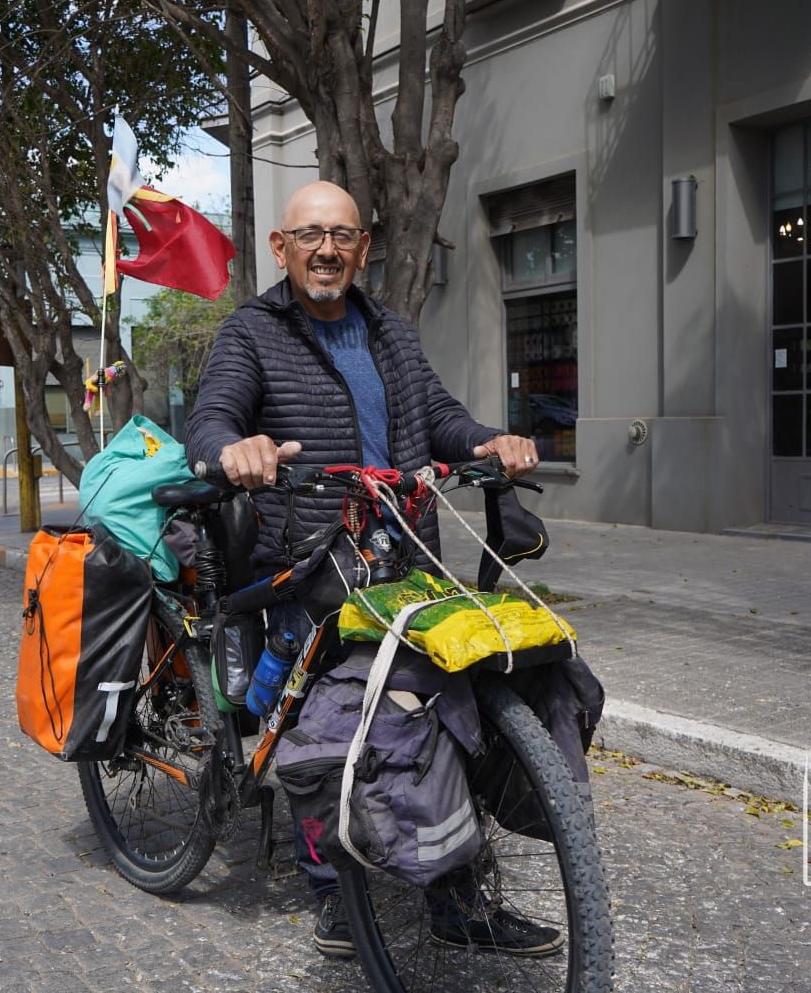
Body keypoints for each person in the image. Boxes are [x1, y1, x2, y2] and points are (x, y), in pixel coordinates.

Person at [184, 180, 558, 960]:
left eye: (344, 235)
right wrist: (234, 448)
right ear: (281, 248)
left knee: (454, 712)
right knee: (327, 721)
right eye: (311, 234)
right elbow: (214, 413)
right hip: (312, 556)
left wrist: (489, 442)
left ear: (362, 247)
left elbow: (440, 418)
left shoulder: (391, 329)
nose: (328, 249)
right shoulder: (251, 332)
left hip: (409, 549)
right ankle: (330, 890)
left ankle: (458, 892)